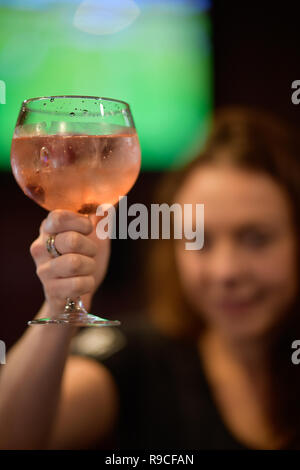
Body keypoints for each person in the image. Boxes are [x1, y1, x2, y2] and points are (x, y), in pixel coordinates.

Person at [0, 107, 299, 450]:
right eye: (199, 240)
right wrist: (60, 305)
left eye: (256, 238)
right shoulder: (141, 361)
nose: (226, 271)